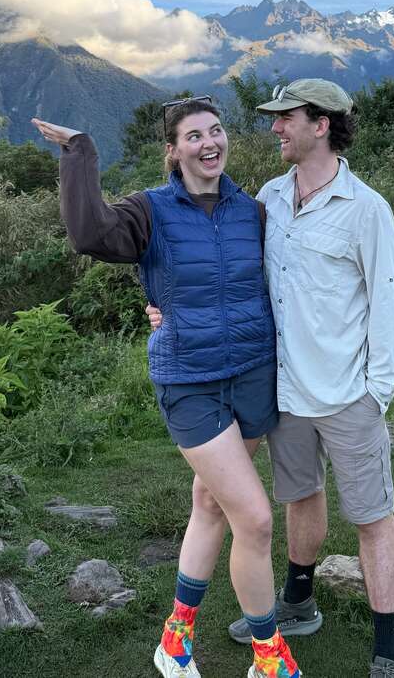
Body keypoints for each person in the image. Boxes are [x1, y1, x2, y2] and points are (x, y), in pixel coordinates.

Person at [32, 99, 301, 678]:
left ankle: (174, 642)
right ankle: (269, 657)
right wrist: (80, 152)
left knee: (210, 503)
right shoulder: (148, 211)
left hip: (253, 376)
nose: (209, 143)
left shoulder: (252, 211)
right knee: (255, 518)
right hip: (190, 383)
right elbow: (88, 234)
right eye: (193, 136)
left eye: (216, 131)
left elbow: (284, 282)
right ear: (173, 151)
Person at [148, 79, 394, 678]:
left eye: (285, 117)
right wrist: (168, 308)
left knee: (371, 516)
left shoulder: (366, 209)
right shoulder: (268, 197)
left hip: (349, 393)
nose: (274, 128)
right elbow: (233, 276)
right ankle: (298, 604)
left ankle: (385, 648)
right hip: (283, 391)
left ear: (321, 124)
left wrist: (379, 392)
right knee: (301, 497)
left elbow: (387, 301)